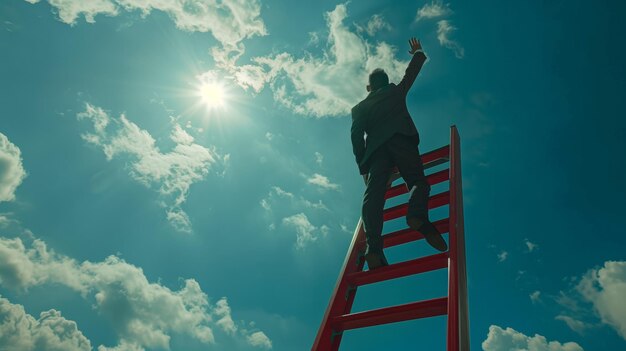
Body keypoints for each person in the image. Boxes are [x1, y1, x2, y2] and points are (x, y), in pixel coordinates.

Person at [351, 37, 448, 270]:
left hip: (376, 153)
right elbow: (410, 76)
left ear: (368, 88)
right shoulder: (395, 91)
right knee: (417, 181)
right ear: (386, 82)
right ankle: (417, 215)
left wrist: (364, 165)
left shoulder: (360, 108)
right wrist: (417, 53)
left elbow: (356, 137)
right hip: (401, 140)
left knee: (372, 199)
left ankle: (373, 247)